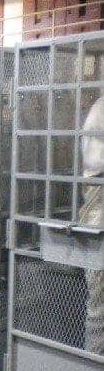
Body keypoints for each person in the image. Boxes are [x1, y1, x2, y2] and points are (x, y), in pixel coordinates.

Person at [80, 96, 103, 355]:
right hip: (99, 222)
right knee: (99, 308)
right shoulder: (101, 110)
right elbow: (97, 169)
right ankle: (93, 368)